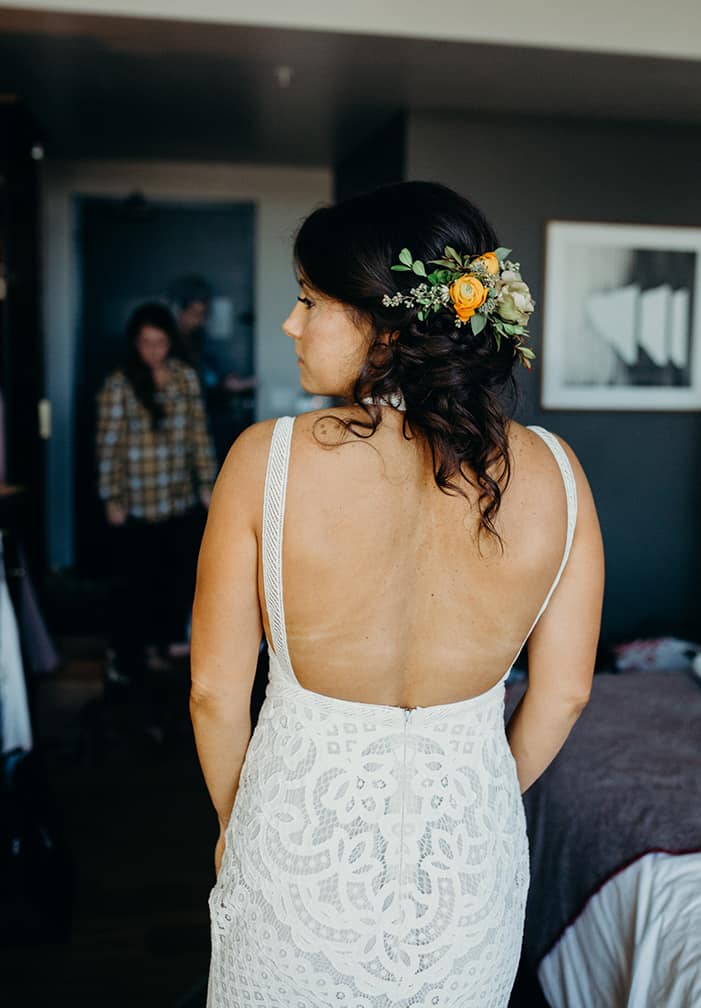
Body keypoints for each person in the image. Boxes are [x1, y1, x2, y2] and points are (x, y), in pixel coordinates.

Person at [190, 182, 604, 1007]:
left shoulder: (266, 459)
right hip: (468, 866)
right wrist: (476, 796)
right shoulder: (558, 474)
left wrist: (241, 825)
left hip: (295, 851)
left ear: (385, 326)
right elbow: (564, 694)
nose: (291, 325)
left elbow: (212, 691)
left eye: (310, 301)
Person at [96, 301, 216, 708]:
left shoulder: (184, 378)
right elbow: (108, 445)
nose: (154, 351)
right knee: (136, 585)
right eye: (147, 343)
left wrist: (207, 484)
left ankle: (164, 650)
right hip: (136, 504)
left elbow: (199, 435)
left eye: (160, 342)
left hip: (178, 500)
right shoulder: (119, 384)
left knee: (176, 579)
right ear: (136, 343)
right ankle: (133, 660)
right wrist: (112, 497)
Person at [170, 274, 257, 462]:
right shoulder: (168, 346)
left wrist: (223, 383)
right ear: (178, 310)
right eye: (196, 314)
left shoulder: (196, 339)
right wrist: (223, 387)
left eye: (205, 315)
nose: (201, 321)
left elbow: (205, 378)